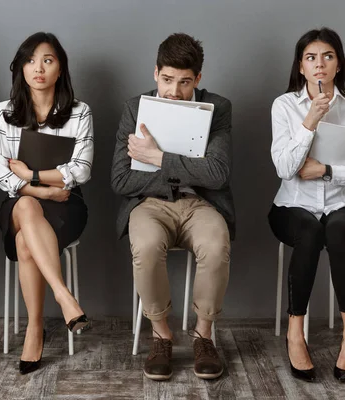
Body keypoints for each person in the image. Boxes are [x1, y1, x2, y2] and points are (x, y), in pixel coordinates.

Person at [111, 33, 235, 381]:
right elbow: (121, 180)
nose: (174, 91)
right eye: (167, 80)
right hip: (149, 205)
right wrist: (184, 169)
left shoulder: (218, 107)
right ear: (155, 73)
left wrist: (156, 157)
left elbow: (218, 173)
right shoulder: (135, 108)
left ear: (198, 78)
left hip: (201, 204)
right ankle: (161, 335)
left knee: (215, 244)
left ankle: (204, 335)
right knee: (147, 246)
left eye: (184, 82)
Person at [268, 27, 345, 383]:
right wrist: (311, 119)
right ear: (301, 67)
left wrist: (329, 171)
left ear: (338, 64)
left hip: (344, 206)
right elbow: (285, 169)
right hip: (291, 207)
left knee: (334, 229)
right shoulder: (285, 105)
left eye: (328, 56)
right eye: (311, 58)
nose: (320, 64)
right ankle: (294, 333)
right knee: (309, 229)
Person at [0, 32, 93, 374]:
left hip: (67, 206)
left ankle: (35, 329)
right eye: (31, 61)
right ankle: (64, 298)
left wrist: (31, 172)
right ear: (20, 68)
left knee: (24, 239)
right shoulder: (3, 113)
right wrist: (45, 188)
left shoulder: (79, 112)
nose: (39, 68)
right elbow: (1, 174)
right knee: (26, 206)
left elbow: (81, 170)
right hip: (23, 201)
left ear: (60, 68)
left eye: (47, 60)